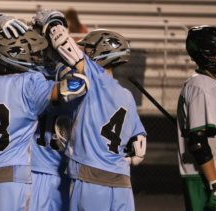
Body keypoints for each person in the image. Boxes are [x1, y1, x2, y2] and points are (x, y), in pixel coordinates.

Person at [0, 23, 88, 211]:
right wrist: (61, 67)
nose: (37, 57)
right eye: (32, 53)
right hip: (14, 179)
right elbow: (77, 85)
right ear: (17, 54)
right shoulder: (31, 82)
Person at [48, 25, 147, 210]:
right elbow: (139, 150)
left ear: (102, 52)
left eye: (89, 48)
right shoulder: (127, 95)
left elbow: (63, 43)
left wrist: (53, 26)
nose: (85, 51)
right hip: (122, 181)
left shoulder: (95, 79)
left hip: (90, 177)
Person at [177, 25, 216, 211]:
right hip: (212, 176)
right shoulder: (202, 86)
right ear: (203, 55)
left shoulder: (213, 84)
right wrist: (215, 182)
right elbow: (198, 141)